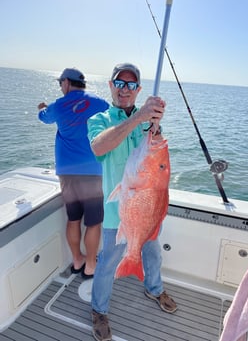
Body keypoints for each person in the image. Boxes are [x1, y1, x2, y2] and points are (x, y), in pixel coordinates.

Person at [87, 63, 177, 341]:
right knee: (107, 262)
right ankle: (99, 310)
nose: (125, 89)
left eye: (131, 85)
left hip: (147, 208)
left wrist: (156, 126)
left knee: (153, 253)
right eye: (120, 83)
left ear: (138, 90)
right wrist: (137, 119)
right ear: (111, 85)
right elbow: (99, 146)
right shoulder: (99, 119)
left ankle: (154, 287)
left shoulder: (145, 120)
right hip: (118, 211)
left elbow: (157, 155)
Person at [37, 68, 109, 279]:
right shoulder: (100, 103)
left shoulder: (58, 106)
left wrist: (42, 108)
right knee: (94, 222)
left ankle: (77, 260)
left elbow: (43, 117)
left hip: (67, 174)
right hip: (94, 173)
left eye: (61, 83)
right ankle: (90, 266)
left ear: (67, 83)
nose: (61, 87)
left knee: (74, 219)